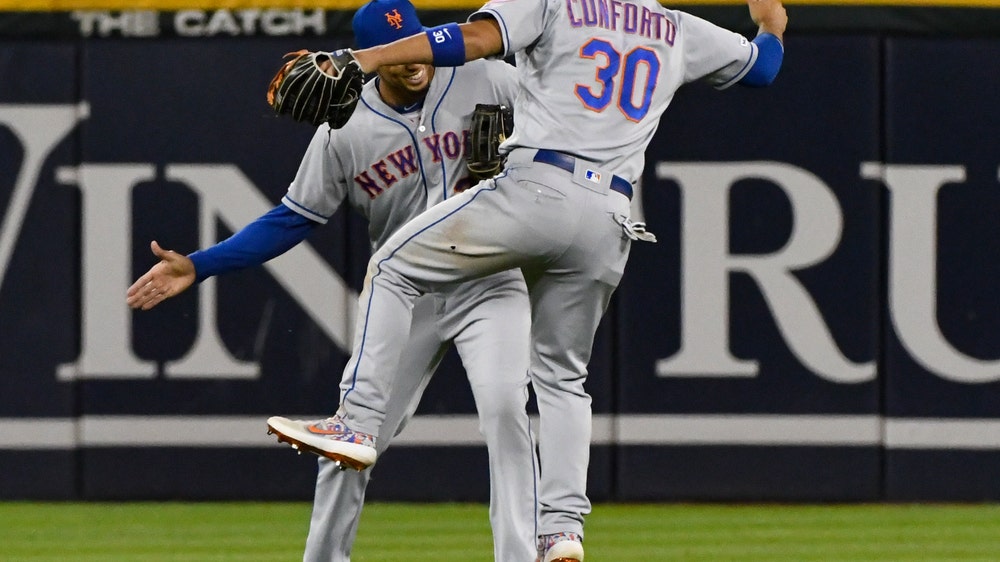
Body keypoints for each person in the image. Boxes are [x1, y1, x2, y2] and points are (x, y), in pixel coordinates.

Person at [264, 0, 788, 560]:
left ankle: (357, 422)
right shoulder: (675, 26)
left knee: (391, 266)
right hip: (611, 217)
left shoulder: (554, 2)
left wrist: (362, 58)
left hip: (538, 187)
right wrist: (771, 23)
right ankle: (561, 530)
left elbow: (468, 41)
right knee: (563, 377)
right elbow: (762, 68)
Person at [125, 1, 540, 560]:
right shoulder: (344, 128)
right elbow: (291, 219)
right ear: (372, 59)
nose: (412, 59)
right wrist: (200, 264)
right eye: (395, 51)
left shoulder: (486, 76)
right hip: (406, 296)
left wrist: (529, 161)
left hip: (489, 282)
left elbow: (562, 121)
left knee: (507, 410)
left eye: (415, 41)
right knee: (348, 442)